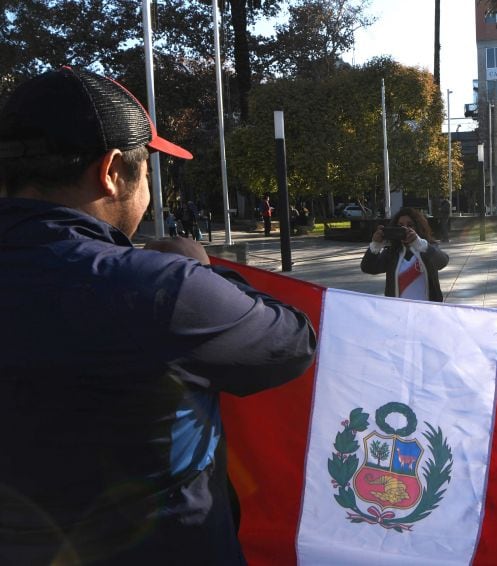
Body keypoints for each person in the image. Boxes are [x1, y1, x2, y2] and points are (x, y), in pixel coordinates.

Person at [0, 67, 317, 564]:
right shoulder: (159, 290)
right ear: (110, 172)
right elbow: (292, 343)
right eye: (146, 169)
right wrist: (202, 272)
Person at [360, 206, 449, 302]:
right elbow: (368, 267)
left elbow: (442, 262)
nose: (405, 228)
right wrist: (375, 245)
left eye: (410, 225)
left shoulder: (427, 248)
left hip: (426, 311)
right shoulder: (392, 252)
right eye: (400, 225)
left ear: (418, 227)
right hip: (399, 312)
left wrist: (419, 244)